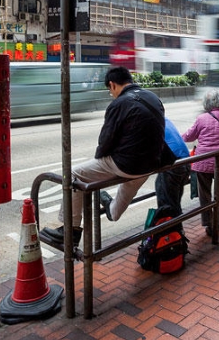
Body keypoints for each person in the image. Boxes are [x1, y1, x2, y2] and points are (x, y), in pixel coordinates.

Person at [43, 66, 166, 248]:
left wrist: (99, 159)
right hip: (151, 164)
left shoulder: (119, 103)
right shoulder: (153, 97)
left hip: (126, 165)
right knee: (116, 210)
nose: (111, 94)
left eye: (110, 90)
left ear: (112, 84)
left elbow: (106, 140)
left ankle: (70, 230)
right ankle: (110, 209)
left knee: (73, 174)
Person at [182, 88, 219, 236]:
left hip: (202, 162)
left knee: (205, 194)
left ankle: (209, 224)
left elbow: (189, 136)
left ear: (207, 103)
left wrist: (177, 138)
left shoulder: (201, 118)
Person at [155, 118, 191, 219]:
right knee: (174, 201)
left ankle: (174, 227)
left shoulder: (151, 123)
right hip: (185, 161)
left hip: (173, 163)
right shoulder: (164, 120)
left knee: (168, 204)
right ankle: (176, 225)